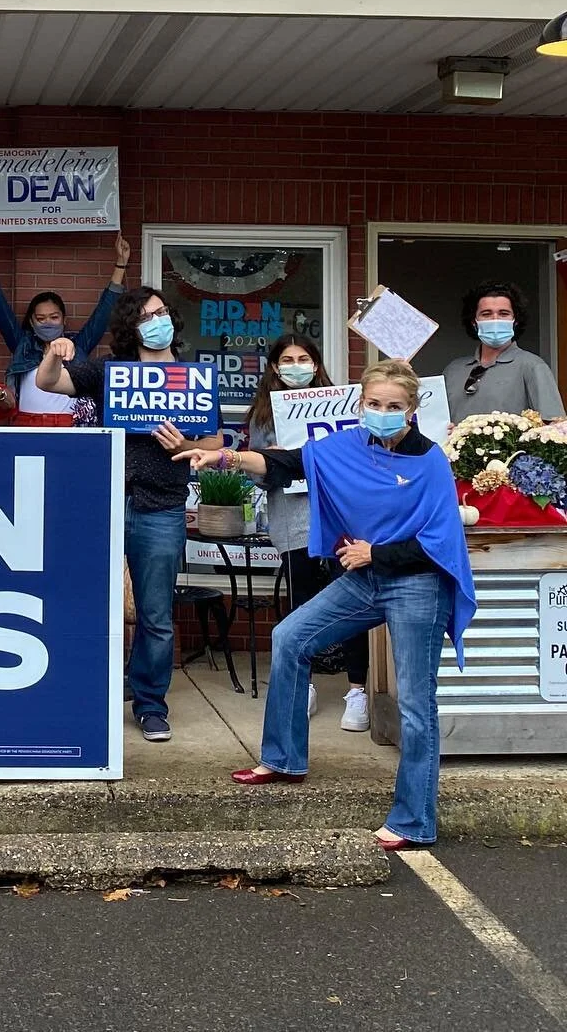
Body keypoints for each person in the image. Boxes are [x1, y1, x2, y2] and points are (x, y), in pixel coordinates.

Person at [175, 358, 475, 850]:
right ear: (361, 405)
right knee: (289, 638)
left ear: (412, 411)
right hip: (363, 579)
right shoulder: (347, 446)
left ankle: (414, 821)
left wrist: (375, 552)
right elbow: (285, 461)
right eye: (374, 404)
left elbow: (441, 543)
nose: (382, 412)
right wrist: (224, 458)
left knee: (416, 703)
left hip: (416, 584)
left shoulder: (430, 462)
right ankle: (283, 758)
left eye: (393, 406)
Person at [36, 287, 224, 743]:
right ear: (131, 328)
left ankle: (150, 704)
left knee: (156, 614)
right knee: (86, 604)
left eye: (160, 312)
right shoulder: (108, 372)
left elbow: (217, 441)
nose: (155, 321)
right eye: (145, 317)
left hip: (161, 505)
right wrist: (53, 352)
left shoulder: (193, 378)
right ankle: (83, 695)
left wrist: (188, 447)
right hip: (104, 500)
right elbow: (48, 384)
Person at [244, 334, 370, 732]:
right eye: (287, 359)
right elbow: (259, 478)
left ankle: (358, 690)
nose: (295, 365)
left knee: (352, 602)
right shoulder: (263, 417)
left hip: (342, 518)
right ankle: (306, 685)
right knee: (303, 605)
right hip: (294, 521)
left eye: (303, 358)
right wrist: (274, 459)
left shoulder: (345, 406)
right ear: (274, 367)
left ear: (316, 365)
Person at [0, 233, 131, 425]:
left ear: (64, 320)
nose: (48, 322)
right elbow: (0, 311)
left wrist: (121, 264)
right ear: (31, 322)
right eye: (41, 318)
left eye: (54, 317)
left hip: (69, 426)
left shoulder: (77, 346)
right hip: (26, 425)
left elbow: (103, 314)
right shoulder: (23, 344)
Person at [443, 280, 564, 422]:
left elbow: (555, 427)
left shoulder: (532, 366)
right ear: (474, 322)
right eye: (486, 314)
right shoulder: (453, 370)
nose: (495, 319)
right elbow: (433, 422)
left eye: (503, 313)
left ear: (515, 321)